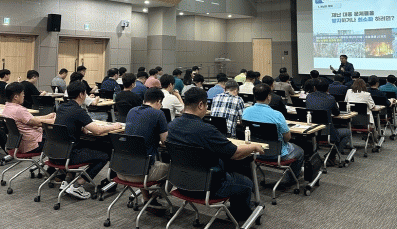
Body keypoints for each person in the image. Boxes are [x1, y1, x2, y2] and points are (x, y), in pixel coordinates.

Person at [167, 87, 264, 223]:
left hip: (179, 183)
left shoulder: (172, 125)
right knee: (246, 183)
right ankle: (241, 218)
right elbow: (235, 153)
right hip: (207, 187)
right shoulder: (206, 130)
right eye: (207, 105)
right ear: (201, 105)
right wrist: (254, 146)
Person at [54, 81, 121, 199]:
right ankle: (78, 184)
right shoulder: (78, 111)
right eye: (85, 93)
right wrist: (114, 126)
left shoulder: (62, 107)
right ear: (81, 94)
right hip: (70, 155)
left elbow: (68, 124)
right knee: (105, 155)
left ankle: (68, 180)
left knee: (91, 145)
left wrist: (80, 127)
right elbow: (98, 131)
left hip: (56, 153)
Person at [242, 83, 304, 187]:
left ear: (254, 96)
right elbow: (287, 138)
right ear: (269, 97)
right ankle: (292, 179)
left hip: (255, 151)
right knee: (300, 151)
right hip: (276, 153)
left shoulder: (246, 112)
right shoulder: (277, 115)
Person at [118, 88, 169, 204]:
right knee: (173, 170)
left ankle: (146, 197)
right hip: (141, 174)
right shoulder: (158, 113)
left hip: (120, 169)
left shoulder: (131, 111)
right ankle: (153, 197)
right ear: (158, 101)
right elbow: (165, 141)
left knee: (141, 156)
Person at [2, 82, 56, 153]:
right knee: (59, 141)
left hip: (19, 143)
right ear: (16, 97)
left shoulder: (7, 108)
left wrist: (48, 116)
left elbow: (32, 119)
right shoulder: (19, 110)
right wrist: (54, 120)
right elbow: (38, 123)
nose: (24, 95)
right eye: (22, 94)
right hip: (32, 144)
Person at [305, 78, 352, 156]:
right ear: (327, 89)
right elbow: (336, 113)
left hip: (312, 131)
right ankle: (332, 156)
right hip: (327, 133)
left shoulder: (309, 96)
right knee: (348, 132)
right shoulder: (330, 98)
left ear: (315, 88)